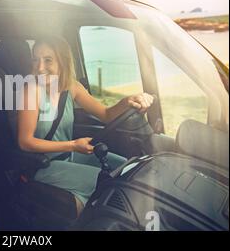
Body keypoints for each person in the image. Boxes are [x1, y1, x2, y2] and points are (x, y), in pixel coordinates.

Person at [17, 35, 154, 215]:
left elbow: (106, 114)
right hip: (42, 165)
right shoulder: (30, 91)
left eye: (48, 60)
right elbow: (25, 142)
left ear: (62, 62)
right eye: (35, 60)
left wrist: (128, 101)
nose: (40, 67)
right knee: (108, 182)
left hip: (68, 156)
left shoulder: (71, 87)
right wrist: (73, 145)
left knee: (126, 169)